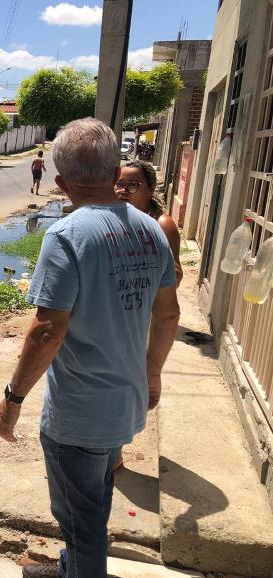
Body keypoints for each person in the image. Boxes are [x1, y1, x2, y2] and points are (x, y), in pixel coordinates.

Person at [0, 118, 180, 578]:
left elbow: (47, 331)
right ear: (115, 172)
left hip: (78, 417)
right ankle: (70, 569)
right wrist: (152, 376)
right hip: (126, 403)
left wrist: (13, 399)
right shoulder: (151, 230)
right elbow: (168, 314)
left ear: (61, 183)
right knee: (92, 502)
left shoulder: (67, 236)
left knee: (82, 523)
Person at [112, 160, 183, 471]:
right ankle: (113, 449)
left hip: (146, 316)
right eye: (118, 184)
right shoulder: (116, 218)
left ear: (150, 189)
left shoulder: (161, 224)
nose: (123, 191)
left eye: (132, 185)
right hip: (121, 312)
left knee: (132, 380)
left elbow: (176, 272)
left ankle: (114, 449)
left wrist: (143, 279)